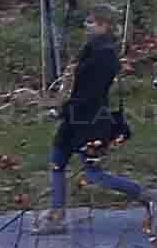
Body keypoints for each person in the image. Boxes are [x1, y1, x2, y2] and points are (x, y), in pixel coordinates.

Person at [48, 12, 151, 219]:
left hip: (92, 122)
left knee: (93, 174)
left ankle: (146, 195)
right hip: (75, 119)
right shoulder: (92, 49)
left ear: (104, 25)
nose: (86, 26)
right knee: (57, 161)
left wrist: (64, 109)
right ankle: (56, 217)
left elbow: (93, 93)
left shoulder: (105, 55)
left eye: (91, 22)